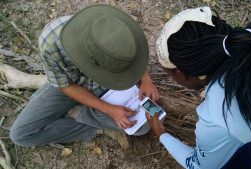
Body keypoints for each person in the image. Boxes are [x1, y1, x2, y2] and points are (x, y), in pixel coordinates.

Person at [147, 6, 251, 169]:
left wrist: (162, 134)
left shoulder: (216, 114)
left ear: (181, 73)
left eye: (171, 74)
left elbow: (200, 166)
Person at [9, 5, 158, 147]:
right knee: (21, 135)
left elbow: (133, 53)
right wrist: (108, 109)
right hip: (72, 85)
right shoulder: (51, 42)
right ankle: (82, 115)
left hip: (111, 82)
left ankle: (84, 114)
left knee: (141, 127)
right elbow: (65, 86)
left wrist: (145, 79)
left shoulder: (114, 28)